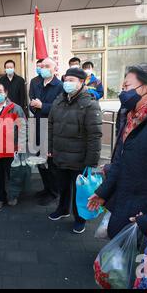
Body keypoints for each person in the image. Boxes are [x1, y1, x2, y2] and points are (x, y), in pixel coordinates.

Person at [88, 63, 147, 238]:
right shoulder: (134, 117)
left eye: (127, 86)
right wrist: (103, 192)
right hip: (127, 207)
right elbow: (121, 161)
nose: (122, 92)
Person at [48, 68, 102, 234]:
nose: (67, 83)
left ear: (81, 82)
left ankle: (80, 218)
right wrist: (49, 148)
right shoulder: (58, 101)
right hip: (60, 155)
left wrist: (91, 161)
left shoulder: (90, 104)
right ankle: (62, 209)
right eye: (66, 79)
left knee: (81, 191)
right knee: (62, 186)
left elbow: (95, 135)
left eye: (72, 80)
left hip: (80, 158)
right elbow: (50, 126)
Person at [0, 82, 26, 209]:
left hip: (11, 149)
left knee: (12, 175)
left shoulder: (15, 108)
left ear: (6, 93)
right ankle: (0, 197)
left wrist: (21, 143)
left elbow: (23, 127)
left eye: (0, 91)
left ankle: (13, 196)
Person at [30, 57, 64, 206]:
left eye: (47, 66)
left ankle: (54, 192)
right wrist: (33, 106)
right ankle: (46, 188)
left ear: (54, 68)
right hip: (37, 126)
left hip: (52, 129)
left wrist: (42, 106)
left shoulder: (60, 86)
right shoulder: (36, 83)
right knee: (40, 161)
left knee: (51, 163)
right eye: (41, 66)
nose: (43, 68)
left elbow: (60, 108)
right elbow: (32, 103)